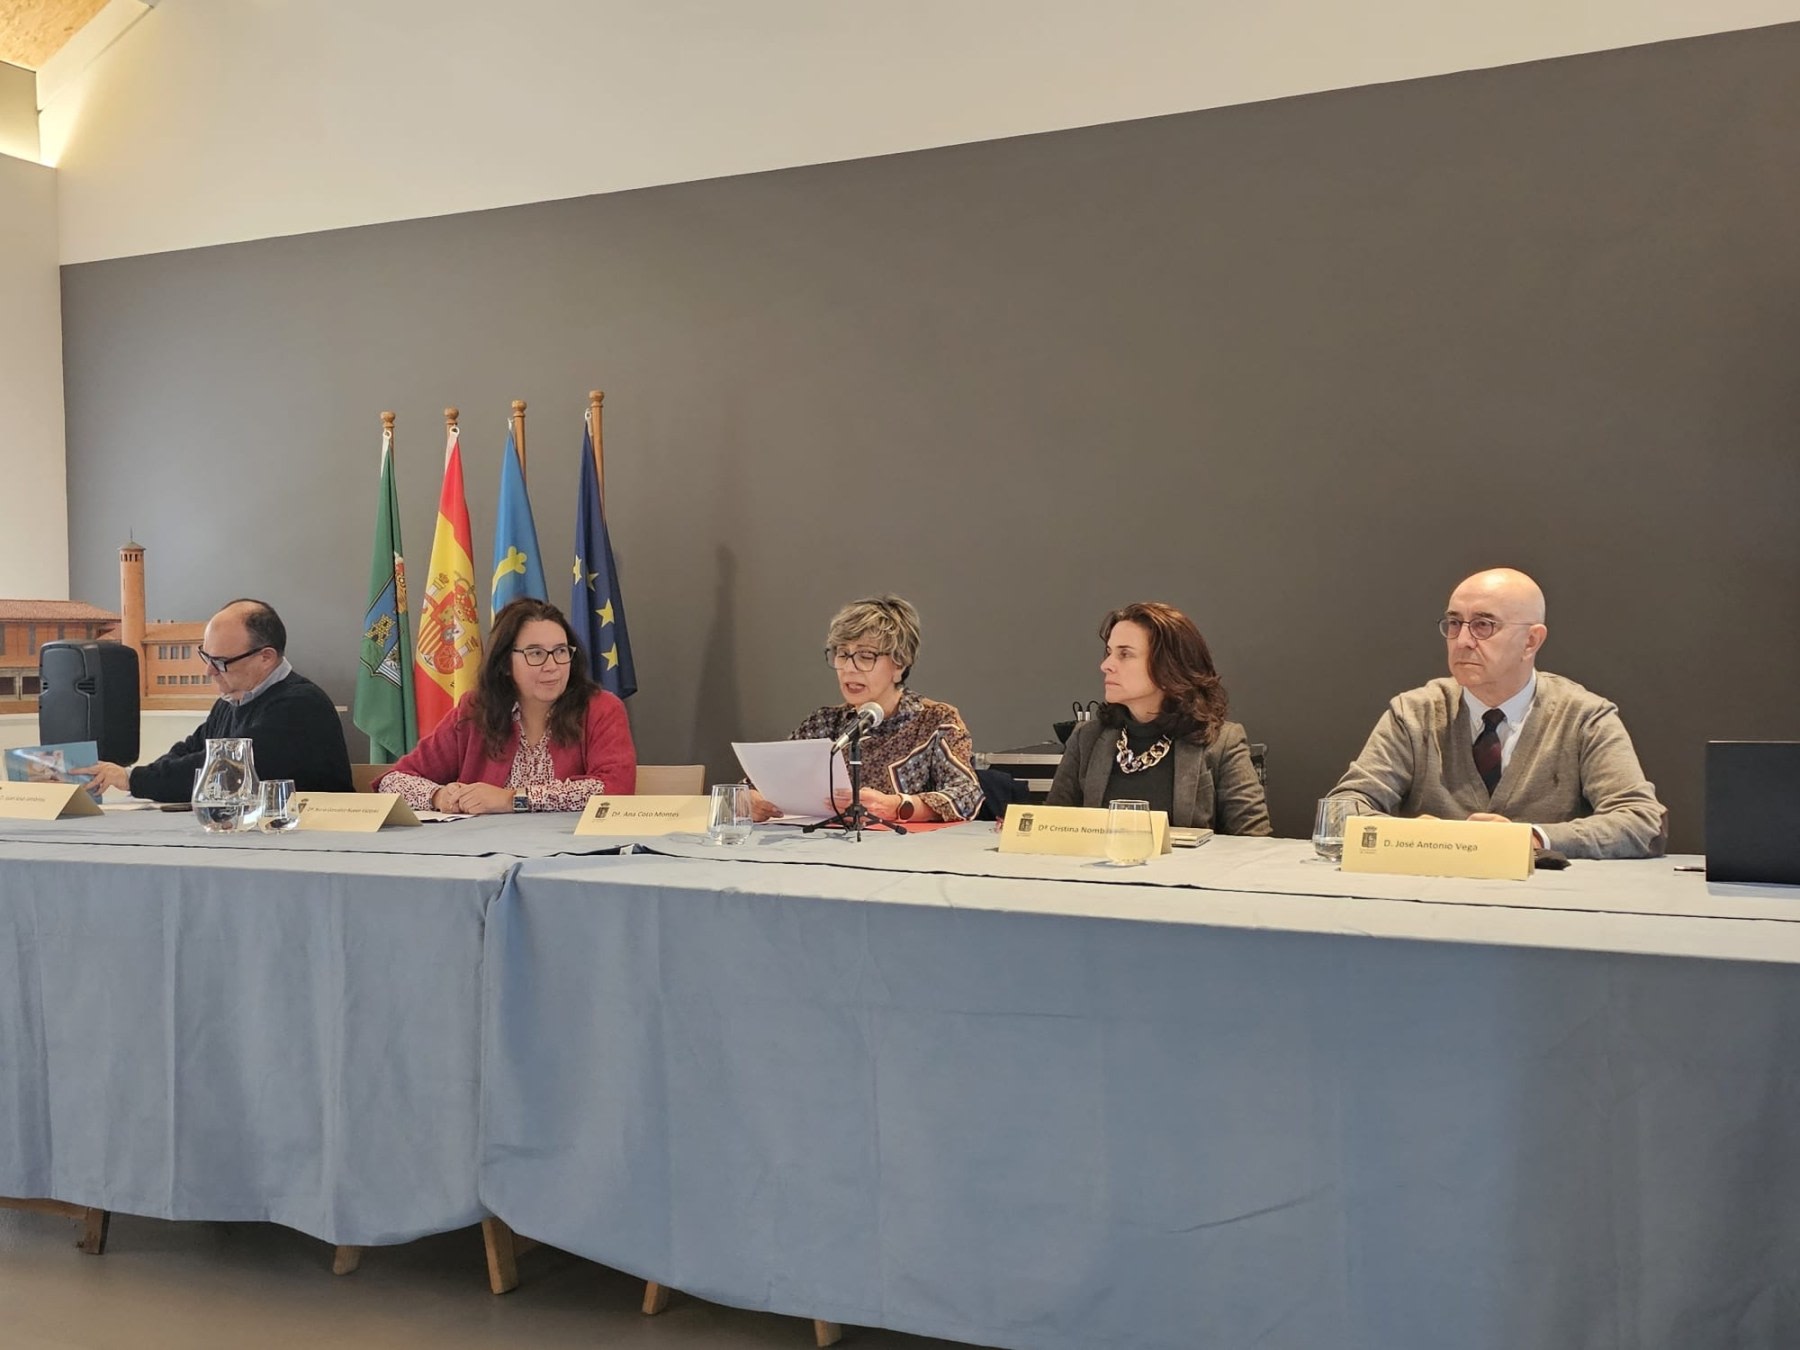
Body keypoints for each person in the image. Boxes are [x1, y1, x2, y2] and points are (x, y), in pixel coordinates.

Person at [1327, 567, 1664, 859]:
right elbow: (1342, 809)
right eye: (1454, 623)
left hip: (1547, 909)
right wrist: (1417, 838)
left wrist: (1532, 838)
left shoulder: (1584, 717)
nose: (1462, 641)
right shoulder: (1414, 713)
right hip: (1432, 902)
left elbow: (1641, 821)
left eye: (1483, 625)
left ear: (1531, 641)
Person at [379, 598, 635, 813]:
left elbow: (613, 789)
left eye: (560, 651)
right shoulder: (475, 710)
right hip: (482, 854)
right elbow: (393, 782)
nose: (552, 666)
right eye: (535, 653)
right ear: (504, 664)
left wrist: (512, 799)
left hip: (568, 853)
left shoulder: (601, 708)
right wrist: (438, 796)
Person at [82, 599, 353, 801]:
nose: (208, 671)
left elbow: (222, 771)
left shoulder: (300, 705)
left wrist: (132, 779)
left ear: (266, 657)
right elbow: (189, 751)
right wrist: (143, 777)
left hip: (315, 842)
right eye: (206, 657)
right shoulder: (231, 700)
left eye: (220, 662)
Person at [749, 594, 982, 824]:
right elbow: (755, 784)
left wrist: (898, 806)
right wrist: (750, 801)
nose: (849, 668)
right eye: (843, 654)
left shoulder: (934, 721)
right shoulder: (824, 723)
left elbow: (968, 794)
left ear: (900, 664)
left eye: (865, 656)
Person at [1044, 602, 1271, 834]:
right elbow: (1050, 832)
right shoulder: (1086, 738)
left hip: (1188, 871)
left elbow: (1253, 842)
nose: (1106, 665)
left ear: (1168, 666)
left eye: (1125, 654)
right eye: (1109, 653)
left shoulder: (1222, 741)